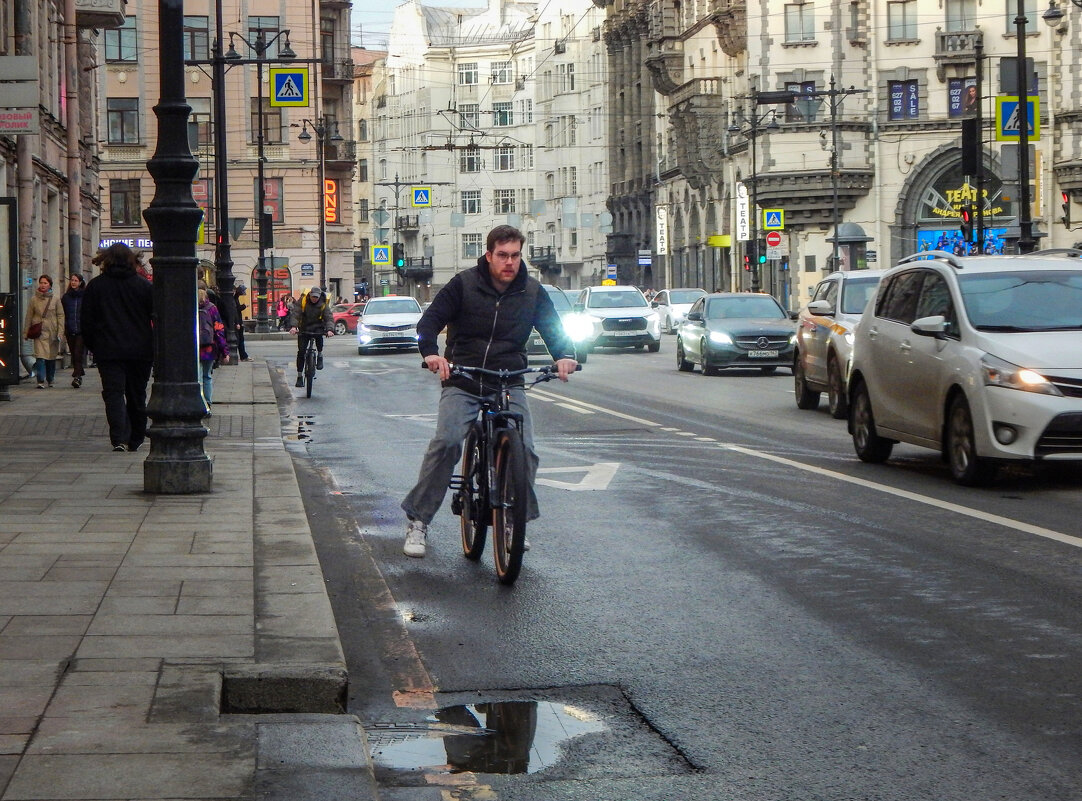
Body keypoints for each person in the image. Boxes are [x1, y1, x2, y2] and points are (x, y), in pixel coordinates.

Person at [400, 225, 578, 558]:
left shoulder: (532, 291)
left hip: (508, 378)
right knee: (448, 441)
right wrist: (432, 354)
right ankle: (419, 521)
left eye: (515, 255)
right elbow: (429, 323)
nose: (509, 262)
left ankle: (513, 520)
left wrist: (565, 356)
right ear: (489, 255)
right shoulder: (463, 285)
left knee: (524, 448)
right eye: (502, 255)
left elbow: (554, 329)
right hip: (464, 377)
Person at [81, 243, 154, 452]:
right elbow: (156, 316)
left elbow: (86, 321)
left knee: (113, 393)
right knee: (137, 393)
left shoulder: (96, 286)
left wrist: (94, 345)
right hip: (140, 350)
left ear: (107, 260)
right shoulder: (144, 286)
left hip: (108, 350)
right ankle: (137, 437)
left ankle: (119, 437)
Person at [23, 275, 66, 388]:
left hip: (52, 332)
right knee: (40, 357)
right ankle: (40, 380)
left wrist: (60, 331)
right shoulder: (34, 299)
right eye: (41, 283)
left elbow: (60, 316)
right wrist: (26, 332)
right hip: (39, 332)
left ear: (50, 285)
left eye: (45, 283)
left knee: (51, 358)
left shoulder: (55, 299)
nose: (42, 285)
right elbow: (28, 316)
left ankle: (50, 379)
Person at [289, 286, 334, 387]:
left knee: (319, 338)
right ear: (309, 295)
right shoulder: (303, 301)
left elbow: (329, 317)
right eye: (313, 297)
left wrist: (330, 329)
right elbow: (296, 314)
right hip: (304, 327)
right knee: (301, 352)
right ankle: (299, 376)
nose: (314, 299)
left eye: (316, 297)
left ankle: (320, 354)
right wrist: (293, 326)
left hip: (318, 326)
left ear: (319, 297)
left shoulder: (323, 304)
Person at [198, 287, 230, 407]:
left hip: (194, 349)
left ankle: (199, 402)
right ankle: (208, 403)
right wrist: (225, 351)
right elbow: (219, 331)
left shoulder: (189, 307)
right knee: (207, 376)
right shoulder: (212, 308)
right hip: (209, 349)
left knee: (197, 377)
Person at [61, 273, 87, 388]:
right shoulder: (66, 297)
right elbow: (62, 313)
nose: (73, 282)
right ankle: (79, 372)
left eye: (76, 280)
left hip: (82, 330)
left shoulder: (85, 296)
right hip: (70, 328)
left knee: (78, 353)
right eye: (72, 280)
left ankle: (77, 377)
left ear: (80, 282)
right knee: (73, 353)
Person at [233, 284, 251, 361]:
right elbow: (236, 310)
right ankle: (243, 356)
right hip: (237, 322)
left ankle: (243, 355)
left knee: (239, 339)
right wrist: (237, 323)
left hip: (237, 322)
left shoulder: (235, 298)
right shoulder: (234, 299)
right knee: (240, 339)